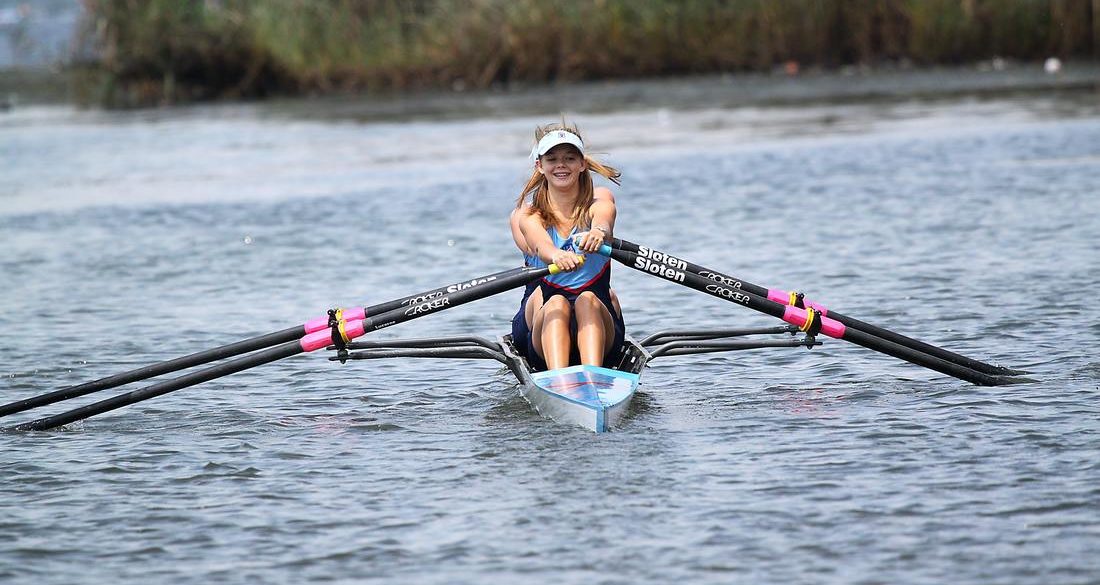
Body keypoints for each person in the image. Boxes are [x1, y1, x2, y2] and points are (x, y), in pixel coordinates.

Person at [509, 122, 625, 371]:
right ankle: (559, 380)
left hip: (601, 333)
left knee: (587, 300)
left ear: (582, 164)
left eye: (570, 158)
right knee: (556, 303)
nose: (561, 165)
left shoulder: (598, 205)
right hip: (546, 330)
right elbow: (541, 246)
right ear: (539, 166)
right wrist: (556, 255)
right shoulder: (530, 217)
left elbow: (604, 220)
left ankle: (594, 378)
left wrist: (597, 233)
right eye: (552, 159)